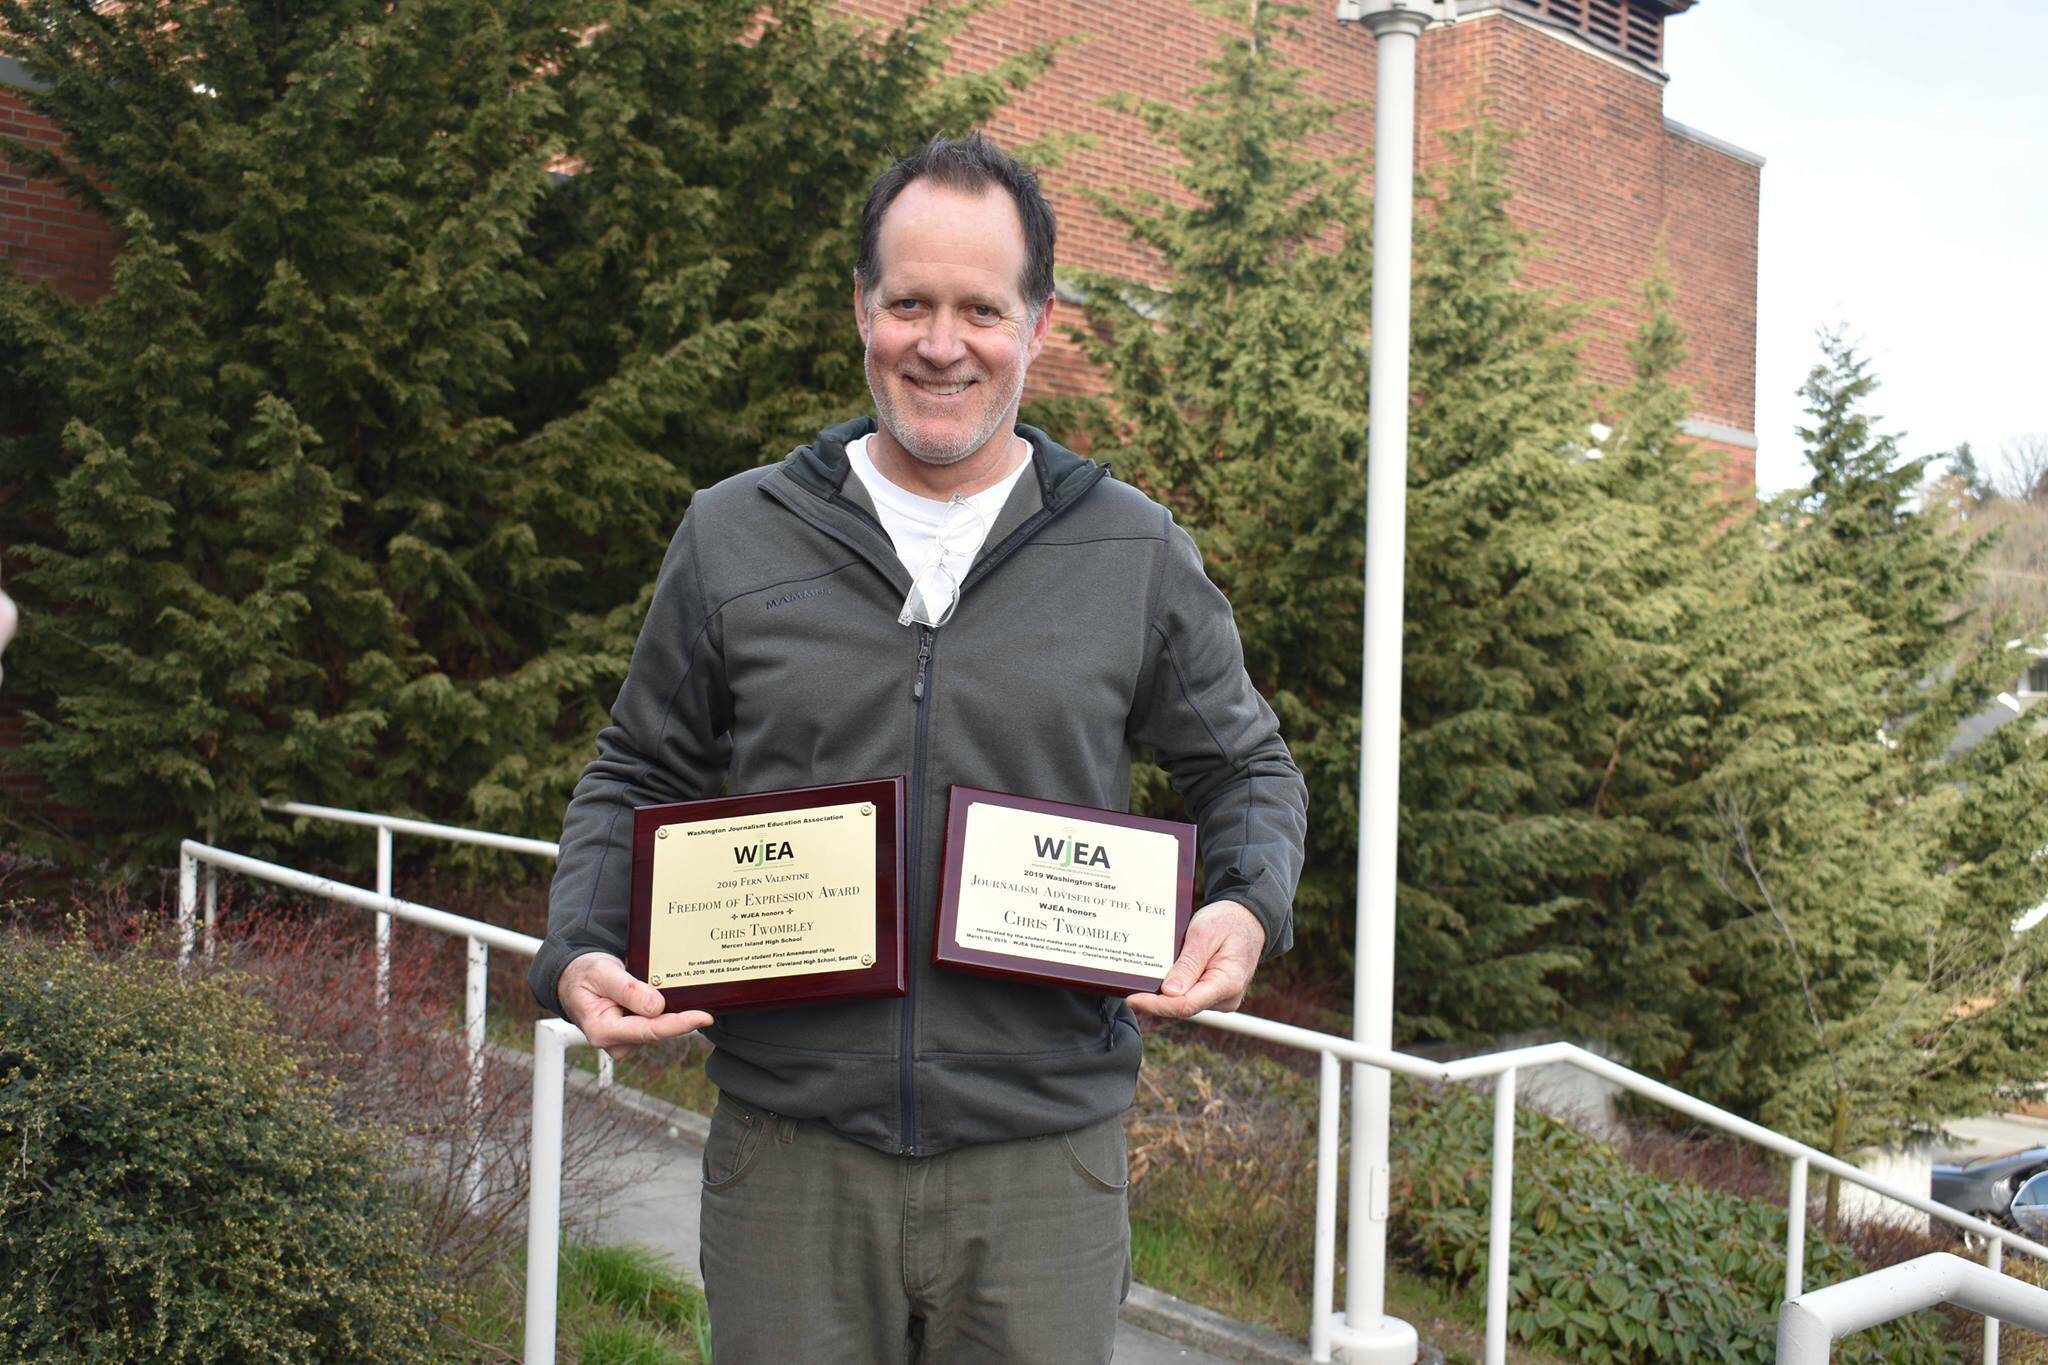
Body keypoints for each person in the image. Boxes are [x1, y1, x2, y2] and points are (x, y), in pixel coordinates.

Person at [529, 132, 1307, 1364]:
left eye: (979, 310)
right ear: (862, 310)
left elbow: (1245, 770)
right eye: (908, 304)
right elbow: (639, 771)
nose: (941, 343)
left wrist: (1245, 905)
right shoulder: (734, 536)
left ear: (1038, 323)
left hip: (1041, 1164)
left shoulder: (1132, 550)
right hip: (790, 1155)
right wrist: (577, 948)